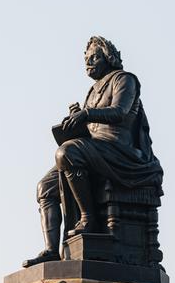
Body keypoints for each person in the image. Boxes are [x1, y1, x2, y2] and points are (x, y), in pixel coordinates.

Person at [23, 36, 163, 268]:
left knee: (65, 153)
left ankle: (87, 218)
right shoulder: (92, 90)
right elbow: (91, 128)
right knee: (45, 187)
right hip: (95, 149)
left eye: (94, 57)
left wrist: (87, 115)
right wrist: (78, 121)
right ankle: (51, 250)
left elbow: (119, 112)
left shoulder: (124, 80)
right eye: (86, 59)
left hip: (120, 151)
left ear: (109, 58)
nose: (88, 63)